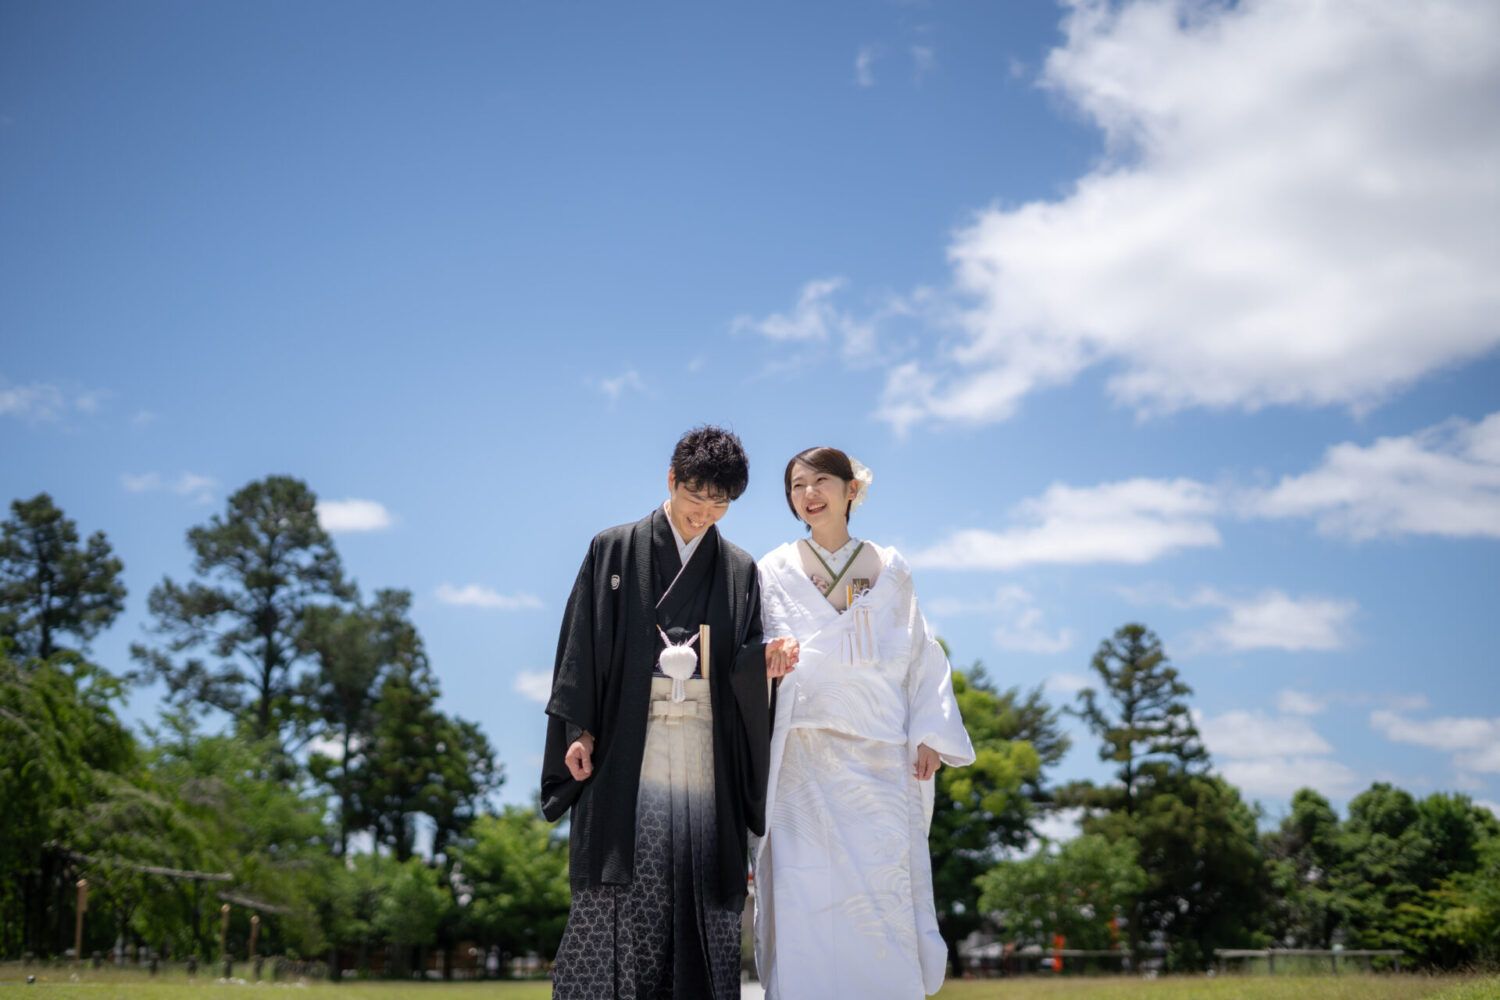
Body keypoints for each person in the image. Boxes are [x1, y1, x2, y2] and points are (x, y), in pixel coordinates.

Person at [541, 426, 799, 1000]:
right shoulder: (614, 548)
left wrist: (763, 660)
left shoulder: (738, 569)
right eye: (695, 497)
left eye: (719, 504)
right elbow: (580, 646)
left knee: (699, 881)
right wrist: (579, 731)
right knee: (617, 885)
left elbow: (742, 656)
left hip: (704, 749)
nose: (703, 514)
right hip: (627, 743)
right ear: (671, 479)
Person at [752, 446, 976, 999]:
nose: (809, 494)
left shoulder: (890, 568)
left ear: (851, 489)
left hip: (878, 752)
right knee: (804, 889)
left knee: (881, 889)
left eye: (821, 481)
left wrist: (929, 732)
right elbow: (752, 648)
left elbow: (922, 653)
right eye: (797, 485)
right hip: (801, 753)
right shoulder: (772, 569)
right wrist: (765, 660)